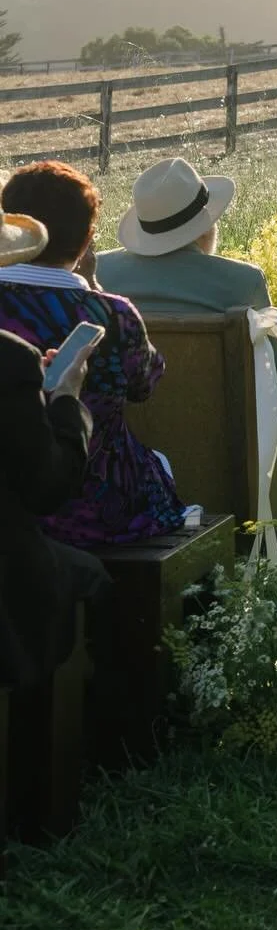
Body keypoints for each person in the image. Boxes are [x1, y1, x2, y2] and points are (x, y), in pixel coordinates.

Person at [0, 161, 186, 545]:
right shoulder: (112, 314)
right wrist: (96, 288)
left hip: (10, 505)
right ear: (86, 241)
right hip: (99, 507)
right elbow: (144, 384)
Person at [97, 156, 277, 449]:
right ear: (206, 227)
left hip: (123, 439)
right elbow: (275, 384)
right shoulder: (243, 281)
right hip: (218, 445)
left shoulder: (100, 272)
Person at [0, 209, 113, 689]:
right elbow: (48, 488)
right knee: (93, 580)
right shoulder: (10, 360)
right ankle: (94, 746)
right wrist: (66, 400)